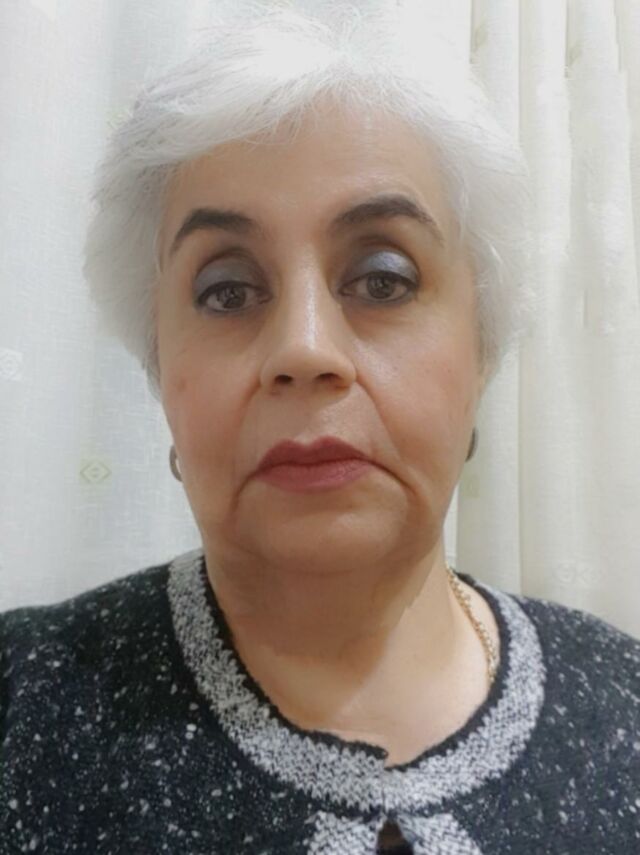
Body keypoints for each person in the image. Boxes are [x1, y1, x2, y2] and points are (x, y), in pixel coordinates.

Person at [1, 3, 638, 852]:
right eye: (227, 290)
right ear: (160, 365)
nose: (303, 349)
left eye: (382, 279)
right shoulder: (23, 704)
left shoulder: (623, 711)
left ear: (481, 349)